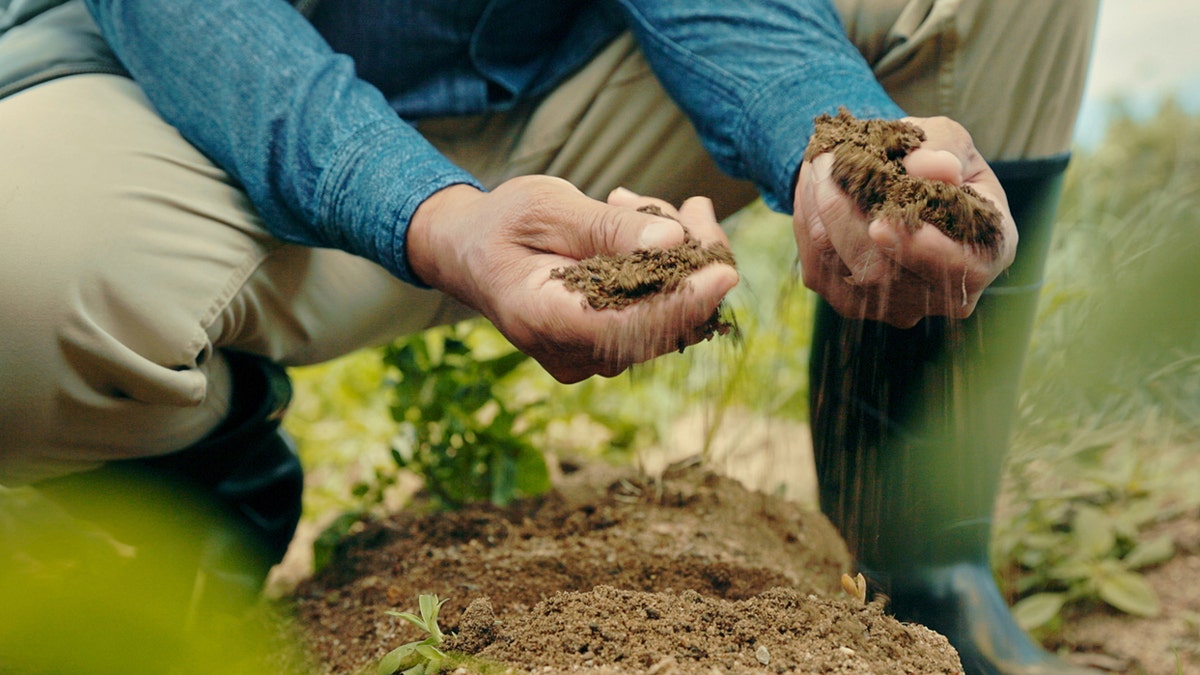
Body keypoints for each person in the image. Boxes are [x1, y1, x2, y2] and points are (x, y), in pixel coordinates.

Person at [0, 0, 1097, 672]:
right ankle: (194, 460)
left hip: (584, 75)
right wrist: (436, 216)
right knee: (19, 279)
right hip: (215, 105)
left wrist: (827, 139)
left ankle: (925, 568)